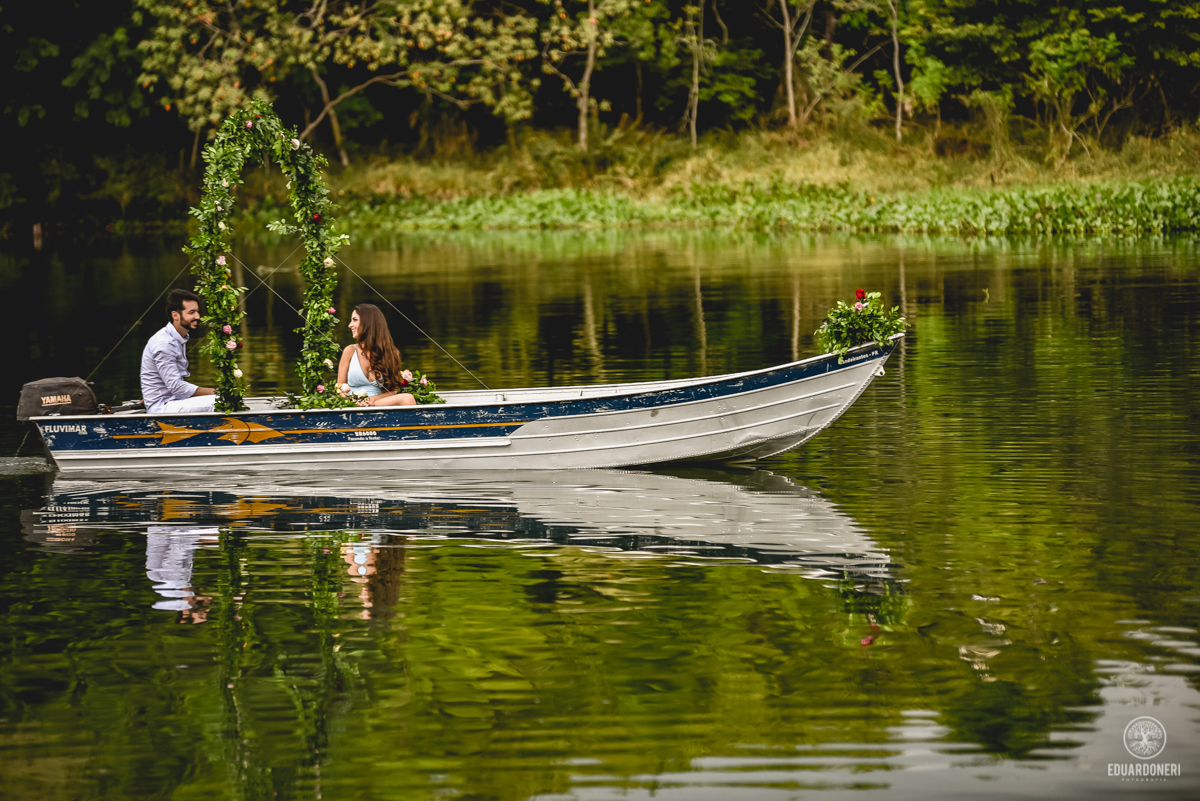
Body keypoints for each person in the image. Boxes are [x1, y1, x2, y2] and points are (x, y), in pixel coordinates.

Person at [140, 288, 217, 414]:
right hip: (162, 407)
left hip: (174, 400)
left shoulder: (177, 338)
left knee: (222, 399)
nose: (197, 316)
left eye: (197, 311)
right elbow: (176, 386)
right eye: (191, 312)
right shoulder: (164, 343)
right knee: (220, 401)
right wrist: (214, 391)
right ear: (175, 315)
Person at [336, 303, 417, 407]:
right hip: (353, 404)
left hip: (378, 403)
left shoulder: (391, 353)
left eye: (354, 320)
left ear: (368, 322)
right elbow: (339, 389)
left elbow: (393, 390)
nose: (350, 324)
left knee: (408, 398)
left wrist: (370, 400)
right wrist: (354, 401)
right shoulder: (350, 351)